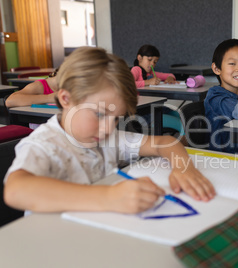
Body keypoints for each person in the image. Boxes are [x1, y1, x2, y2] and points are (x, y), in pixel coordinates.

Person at [3, 47, 215, 215]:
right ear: (66, 99)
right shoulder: (45, 144)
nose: (107, 128)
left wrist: (183, 168)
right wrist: (108, 196)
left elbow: (166, 142)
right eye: (99, 114)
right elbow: (15, 191)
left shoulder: (106, 137)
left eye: (115, 119)